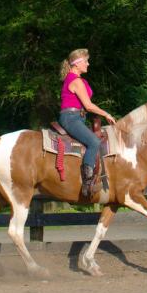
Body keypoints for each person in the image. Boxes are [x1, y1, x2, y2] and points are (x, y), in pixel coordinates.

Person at [57, 48, 116, 194]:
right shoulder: (75, 80)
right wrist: (106, 114)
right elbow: (89, 106)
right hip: (71, 118)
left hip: (77, 117)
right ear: (76, 64)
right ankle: (87, 184)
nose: (88, 64)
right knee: (94, 142)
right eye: (86, 61)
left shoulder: (79, 80)